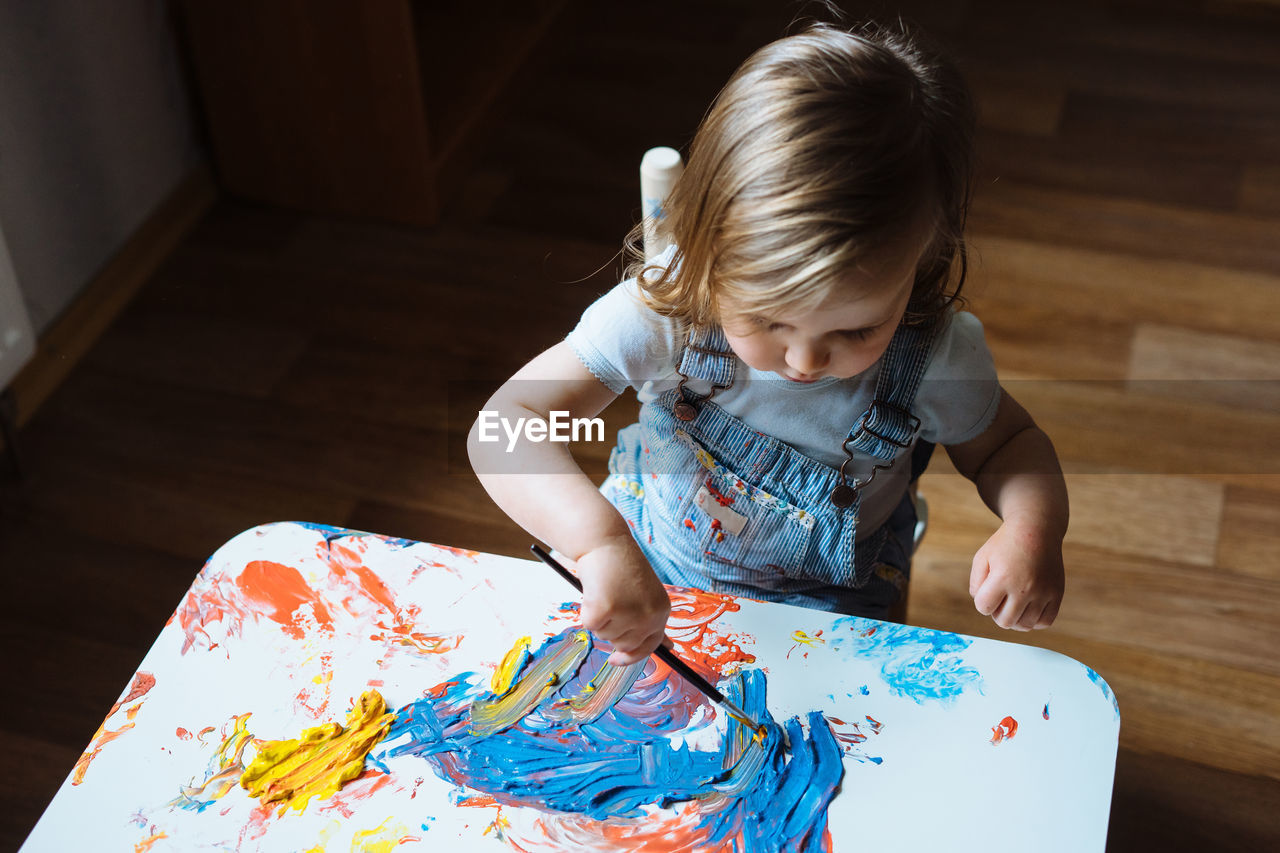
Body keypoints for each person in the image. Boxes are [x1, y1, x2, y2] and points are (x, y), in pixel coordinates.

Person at [468, 22, 1068, 667]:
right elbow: (507, 424)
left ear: (922, 262)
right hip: (644, 543)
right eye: (765, 319)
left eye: (857, 329)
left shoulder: (934, 357)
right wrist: (599, 545)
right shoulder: (669, 312)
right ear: (707, 254)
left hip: (833, 594)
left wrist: (1032, 532)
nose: (806, 361)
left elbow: (1008, 445)